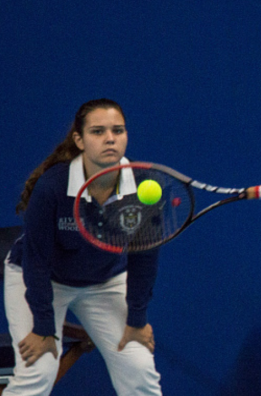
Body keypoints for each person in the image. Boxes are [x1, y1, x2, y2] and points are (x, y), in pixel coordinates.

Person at [3, 98, 163, 395]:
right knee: (38, 370)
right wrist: (43, 327)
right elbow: (36, 261)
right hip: (42, 279)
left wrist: (137, 320)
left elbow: (144, 259)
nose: (110, 139)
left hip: (104, 282)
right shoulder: (53, 186)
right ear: (79, 140)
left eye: (118, 130)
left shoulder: (144, 188)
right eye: (98, 131)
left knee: (139, 369)